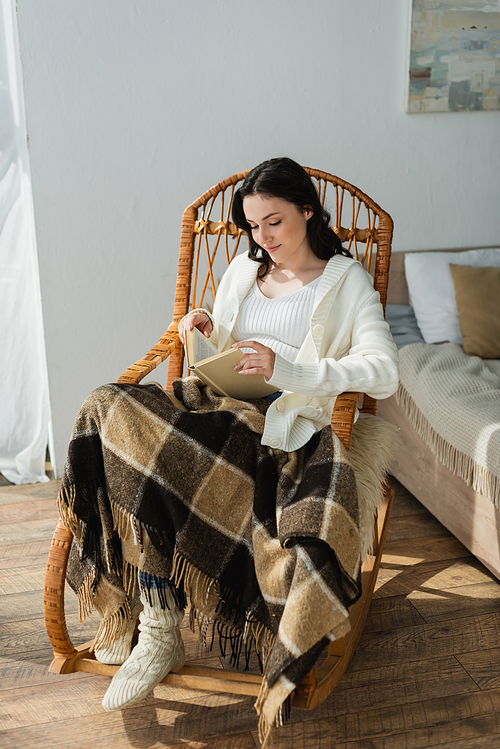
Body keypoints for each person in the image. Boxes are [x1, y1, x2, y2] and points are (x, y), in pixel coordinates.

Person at [59, 157, 398, 740]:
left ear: (308, 211)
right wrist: (202, 333)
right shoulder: (245, 268)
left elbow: (385, 372)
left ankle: (157, 626)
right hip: (214, 400)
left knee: (171, 456)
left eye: (275, 222)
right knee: (104, 405)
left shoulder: (348, 282)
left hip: (280, 423)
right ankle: (137, 608)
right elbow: (217, 354)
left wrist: (286, 366)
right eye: (251, 226)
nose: (262, 238)